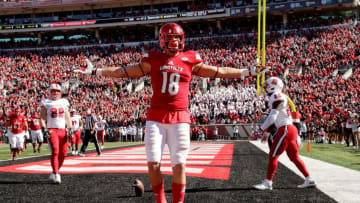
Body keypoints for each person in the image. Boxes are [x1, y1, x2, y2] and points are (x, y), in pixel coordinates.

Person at [75, 22, 266, 203]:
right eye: (170, 37)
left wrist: (246, 72)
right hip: (156, 118)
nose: (174, 41)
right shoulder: (153, 59)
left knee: (180, 164)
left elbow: (219, 71)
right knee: (153, 164)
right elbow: (123, 71)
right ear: (162, 39)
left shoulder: (190, 59)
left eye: (177, 37)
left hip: (180, 117)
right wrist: (96, 71)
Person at [253, 77, 315, 190]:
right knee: (294, 157)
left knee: (273, 155)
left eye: (267, 85)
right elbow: (278, 116)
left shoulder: (276, 96)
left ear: (273, 86)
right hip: (290, 129)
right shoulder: (279, 96)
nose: (265, 87)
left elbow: (273, 117)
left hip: (285, 129)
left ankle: (268, 182)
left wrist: (259, 130)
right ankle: (309, 179)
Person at [40, 83, 72, 184]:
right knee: (55, 151)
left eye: (57, 91)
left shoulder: (64, 102)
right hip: (52, 129)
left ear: (60, 92)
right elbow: (42, 117)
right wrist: (44, 128)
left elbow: (67, 116)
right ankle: (56, 173)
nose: (55, 93)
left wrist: (70, 128)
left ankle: (55, 171)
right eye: (53, 91)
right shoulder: (46, 102)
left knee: (63, 154)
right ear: (50, 91)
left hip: (63, 130)